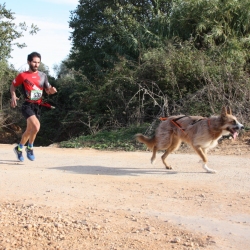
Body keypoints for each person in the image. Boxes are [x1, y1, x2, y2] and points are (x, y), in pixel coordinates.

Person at [10, 52, 57, 162]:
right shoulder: (23, 75)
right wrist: (13, 95)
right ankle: (30, 148)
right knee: (36, 126)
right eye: (34, 62)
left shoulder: (43, 76)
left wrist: (52, 91)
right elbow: (13, 85)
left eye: (38, 63)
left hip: (37, 106)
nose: (36, 64)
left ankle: (19, 148)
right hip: (27, 105)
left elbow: (48, 90)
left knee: (29, 130)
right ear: (29, 62)